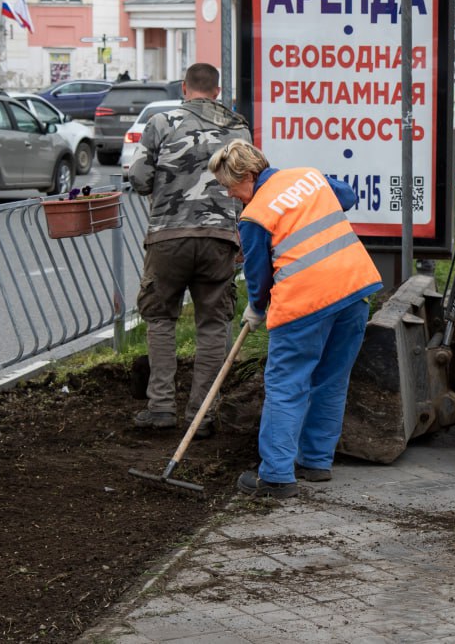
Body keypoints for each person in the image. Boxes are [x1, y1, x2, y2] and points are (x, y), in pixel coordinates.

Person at [209, 139, 383, 500]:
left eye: (231, 185)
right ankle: (317, 462)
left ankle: (275, 476)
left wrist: (257, 307)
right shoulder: (307, 176)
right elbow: (347, 197)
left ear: (250, 175)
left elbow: (258, 274)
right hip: (353, 291)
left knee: (287, 387)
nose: (230, 194)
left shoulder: (255, 216)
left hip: (305, 303)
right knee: (331, 381)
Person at [129, 63, 250, 438]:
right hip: (220, 239)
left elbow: (138, 177)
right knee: (214, 324)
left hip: (168, 238)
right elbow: (251, 180)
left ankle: (161, 408)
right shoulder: (238, 128)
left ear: (184, 88)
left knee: (161, 318)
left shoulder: (161, 124)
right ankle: (202, 415)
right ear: (217, 91)